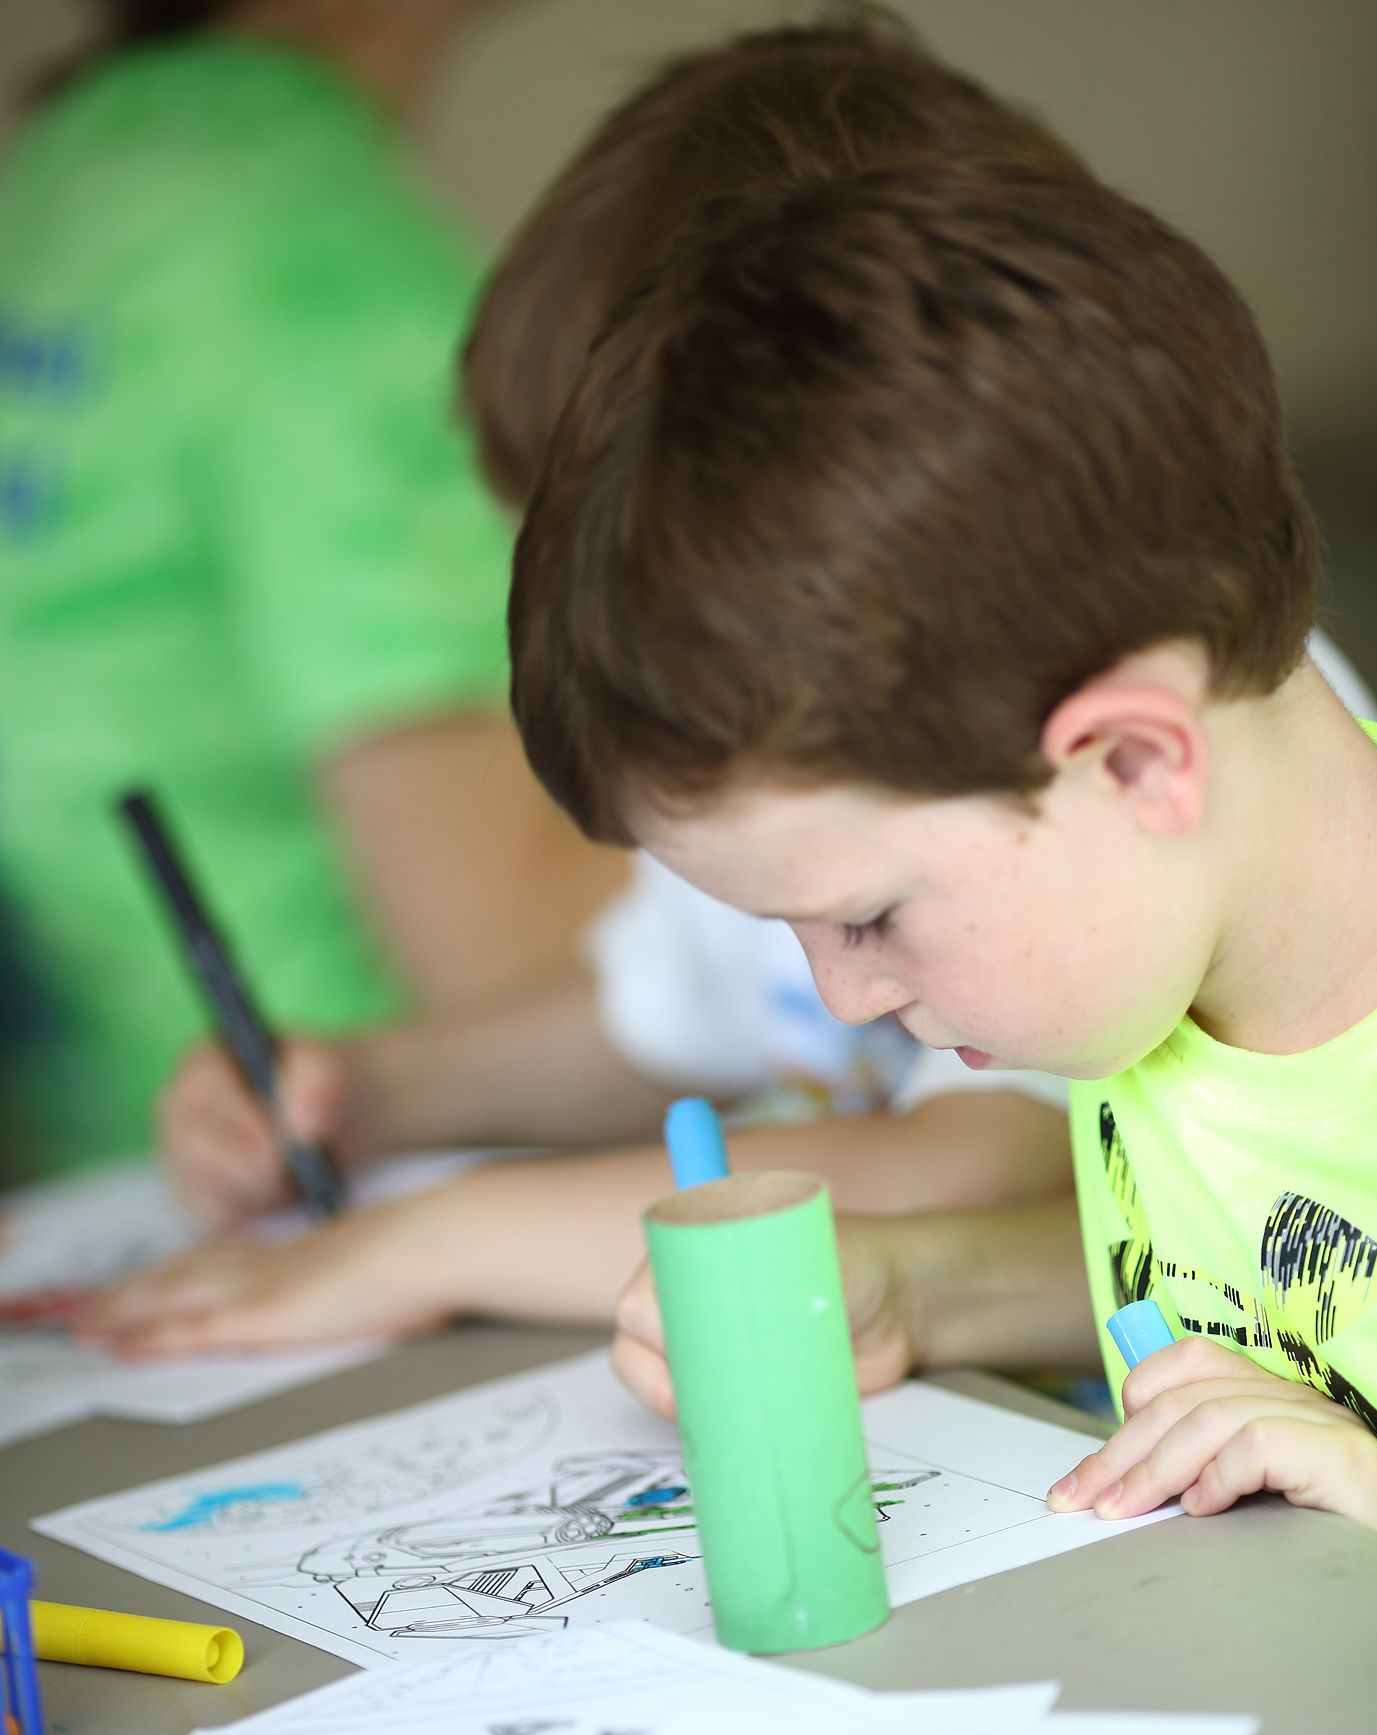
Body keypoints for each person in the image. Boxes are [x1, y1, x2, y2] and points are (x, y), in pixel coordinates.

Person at [75, 19, 1088, 1350]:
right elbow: (657, 1009)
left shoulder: (1043, 722)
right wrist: (379, 1091)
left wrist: (440, 1237)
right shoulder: (787, 754)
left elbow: (983, 1166)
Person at [496, 151, 1377, 1539]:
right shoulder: (1173, 959)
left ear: (1132, 761)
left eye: (867, 915)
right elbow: (1312, 1296)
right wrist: (917, 1286)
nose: (849, 996)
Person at [0, 0, 617, 1181]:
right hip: (375, 1163)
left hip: (119, 1171)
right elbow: (506, 950)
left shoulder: (68, 170)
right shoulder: (307, 259)